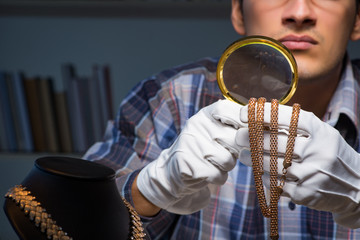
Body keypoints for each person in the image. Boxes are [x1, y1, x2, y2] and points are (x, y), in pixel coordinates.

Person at [84, 0, 360, 238]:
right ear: (239, 13)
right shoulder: (170, 97)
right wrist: (148, 190)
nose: (300, 13)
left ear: (357, 20)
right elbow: (68, 223)